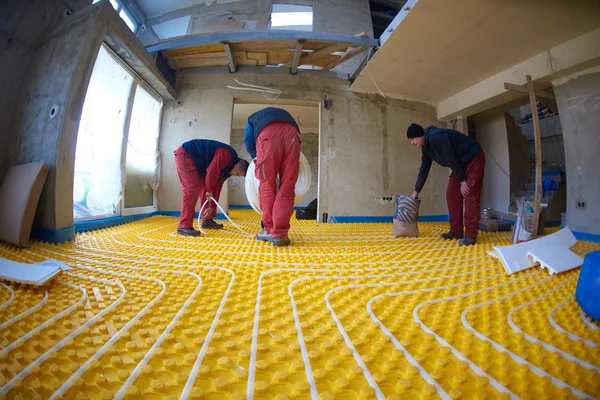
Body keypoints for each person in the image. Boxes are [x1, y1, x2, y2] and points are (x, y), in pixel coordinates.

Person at [407, 123, 485, 246]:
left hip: (473, 158)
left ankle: (470, 234)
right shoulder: (426, 147)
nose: (411, 143)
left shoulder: (437, 137)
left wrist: (463, 181)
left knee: (469, 193)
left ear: (420, 135)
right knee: (452, 194)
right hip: (459, 164)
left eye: (412, 139)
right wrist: (416, 190)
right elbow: (424, 168)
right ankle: (456, 231)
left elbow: (451, 157)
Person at [244, 107, 301, 247]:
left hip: (268, 136)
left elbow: (248, 140)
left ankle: (269, 229)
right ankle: (281, 233)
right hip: (293, 136)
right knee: (287, 185)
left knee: (267, 185)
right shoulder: (286, 115)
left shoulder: (252, 117)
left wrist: (255, 158)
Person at [174, 139, 248, 236]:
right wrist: (209, 191)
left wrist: (209, 207)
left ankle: (207, 220)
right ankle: (184, 226)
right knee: (192, 189)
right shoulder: (227, 154)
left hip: (197, 162)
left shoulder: (228, 170)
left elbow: (216, 188)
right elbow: (211, 172)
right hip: (186, 154)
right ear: (237, 165)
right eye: (237, 174)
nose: (235, 175)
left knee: (214, 188)